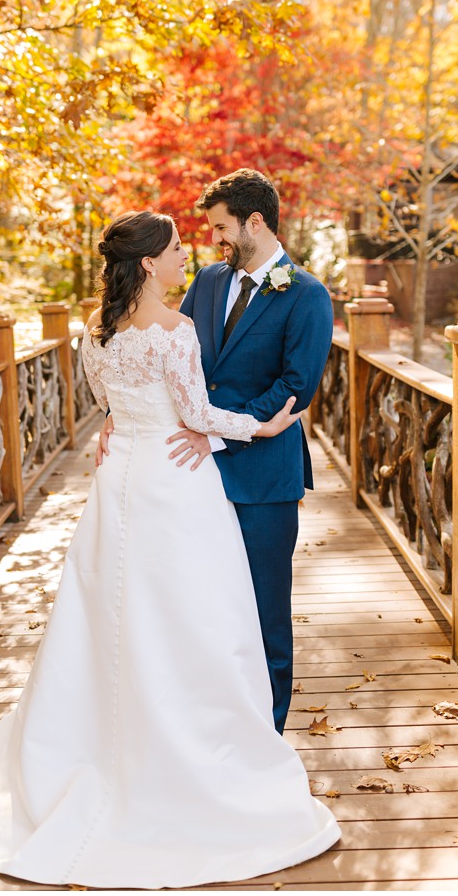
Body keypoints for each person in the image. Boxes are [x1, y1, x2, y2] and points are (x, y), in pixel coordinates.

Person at [0, 210, 340, 888]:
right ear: (149, 262)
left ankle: (103, 745)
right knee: (196, 620)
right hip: (175, 485)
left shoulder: (96, 334)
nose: (189, 255)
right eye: (178, 247)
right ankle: (189, 758)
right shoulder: (176, 331)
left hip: (121, 479)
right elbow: (198, 416)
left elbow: (110, 407)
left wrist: (126, 426)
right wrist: (262, 426)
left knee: (111, 618)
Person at [169, 168, 335, 732]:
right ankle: (212, 722)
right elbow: (179, 356)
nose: (215, 239)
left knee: (266, 609)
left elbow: (296, 387)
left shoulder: (308, 295)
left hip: (264, 475)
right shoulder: (210, 282)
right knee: (204, 606)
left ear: (254, 222)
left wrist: (217, 431)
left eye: (221, 227)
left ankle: (268, 733)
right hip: (193, 474)